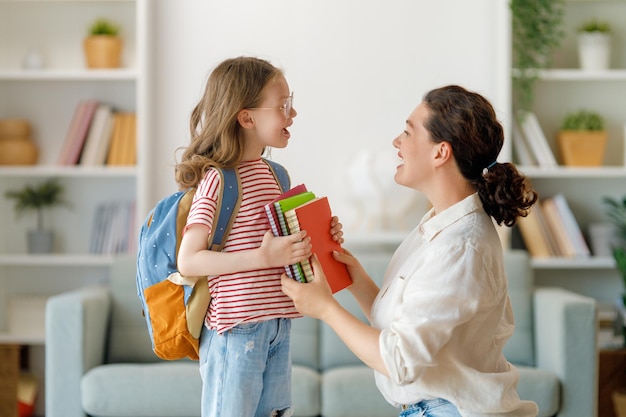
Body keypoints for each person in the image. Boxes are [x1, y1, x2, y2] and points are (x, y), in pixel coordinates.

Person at [282, 84, 539, 417]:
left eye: (407, 132)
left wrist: (326, 309)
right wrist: (355, 277)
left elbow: (400, 361)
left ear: (440, 153)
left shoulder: (460, 246)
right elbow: (408, 329)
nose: (396, 143)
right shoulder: (439, 226)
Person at [175, 56, 343, 417]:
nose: (293, 114)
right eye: (283, 106)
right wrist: (262, 257)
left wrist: (320, 237)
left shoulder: (277, 174)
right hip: (236, 331)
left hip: (278, 327)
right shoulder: (218, 180)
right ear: (246, 117)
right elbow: (189, 259)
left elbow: (287, 250)